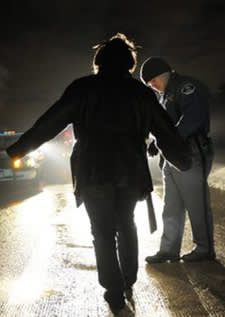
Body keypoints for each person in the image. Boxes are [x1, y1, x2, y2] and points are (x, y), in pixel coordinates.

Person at [6, 35, 191, 315]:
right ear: (130, 63)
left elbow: (50, 123)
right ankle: (128, 279)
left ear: (99, 61)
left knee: (102, 231)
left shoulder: (82, 89)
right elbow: (165, 130)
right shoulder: (140, 93)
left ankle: (113, 289)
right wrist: (183, 159)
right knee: (126, 224)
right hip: (129, 170)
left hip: (92, 170)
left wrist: (18, 150)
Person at [140, 56, 215, 264]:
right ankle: (168, 250)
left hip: (191, 151)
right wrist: (158, 141)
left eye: (153, 81)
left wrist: (167, 139)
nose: (152, 86)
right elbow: (167, 124)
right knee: (171, 206)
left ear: (163, 74)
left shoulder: (187, 87)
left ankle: (204, 248)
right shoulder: (166, 94)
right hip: (173, 154)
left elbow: (193, 118)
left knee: (196, 204)